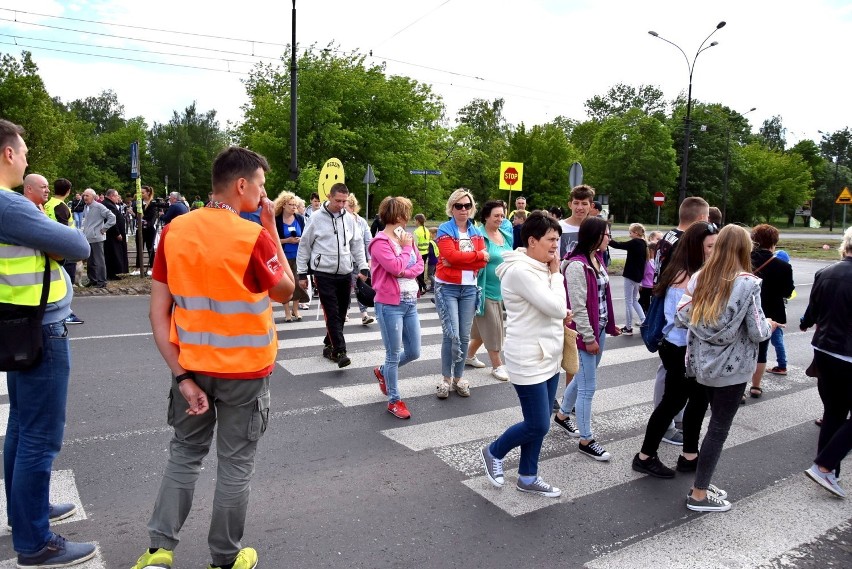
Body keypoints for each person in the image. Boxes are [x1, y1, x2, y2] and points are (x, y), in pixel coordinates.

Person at [131, 146, 295, 569]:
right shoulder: (252, 236)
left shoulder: (175, 230)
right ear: (242, 186)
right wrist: (270, 228)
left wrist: (181, 375)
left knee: (184, 453)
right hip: (246, 372)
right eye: (260, 186)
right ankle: (224, 558)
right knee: (235, 464)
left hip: (193, 369)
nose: (263, 195)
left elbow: (157, 312)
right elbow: (286, 291)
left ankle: (158, 552)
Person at [0, 119, 96, 567]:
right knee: (39, 437)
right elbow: (77, 245)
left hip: (19, 326)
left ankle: (27, 515)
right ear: (7, 153)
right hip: (41, 329)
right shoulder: (8, 205)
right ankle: (35, 541)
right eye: (22, 151)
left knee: (21, 428)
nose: (25, 157)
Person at [675, 224, 774, 512]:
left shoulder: (700, 277)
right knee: (718, 430)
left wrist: (704, 322)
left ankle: (701, 482)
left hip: (702, 363)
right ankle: (699, 494)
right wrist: (771, 325)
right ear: (746, 249)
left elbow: (681, 315)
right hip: (733, 368)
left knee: (709, 425)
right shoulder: (748, 284)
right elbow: (757, 332)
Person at [481, 211, 571, 497]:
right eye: (551, 240)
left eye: (558, 239)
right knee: (538, 423)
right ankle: (494, 451)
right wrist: (557, 277)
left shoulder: (540, 265)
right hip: (528, 357)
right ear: (532, 241)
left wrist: (559, 305)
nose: (556, 246)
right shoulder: (520, 270)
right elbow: (555, 307)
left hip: (549, 354)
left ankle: (528, 476)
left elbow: (550, 309)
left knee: (538, 426)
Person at [631, 221, 718, 479]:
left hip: (689, 348)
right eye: (711, 246)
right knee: (673, 403)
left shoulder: (694, 270)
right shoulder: (685, 275)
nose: (715, 250)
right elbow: (683, 318)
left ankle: (690, 455)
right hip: (680, 348)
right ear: (695, 247)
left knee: (699, 401)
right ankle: (645, 457)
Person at [554, 217, 620, 461]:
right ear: (595, 236)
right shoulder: (577, 266)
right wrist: (589, 338)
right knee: (588, 387)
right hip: (586, 334)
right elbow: (579, 307)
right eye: (606, 234)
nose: (609, 238)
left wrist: (607, 327)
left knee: (582, 380)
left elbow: (602, 297)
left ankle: (562, 416)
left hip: (599, 329)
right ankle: (586, 439)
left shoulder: (597, 259)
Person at [651, 197, 710, 444]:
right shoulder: (685, 245)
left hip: (665, 309)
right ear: (699, 220)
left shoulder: (668, 237)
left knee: (669, 373)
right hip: (673, 318)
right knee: (670, 376)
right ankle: (665, 423)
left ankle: (670, 419)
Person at [800, 226, 852, 498]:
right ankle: (825, 465)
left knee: (834, 410)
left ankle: (830, 471)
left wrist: (805, 322)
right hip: (847, 354)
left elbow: (814, 309)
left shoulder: (826, 272)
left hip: (824, 350)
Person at [296, 183, 369, 368]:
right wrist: (302, 273)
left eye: (345, 201)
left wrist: (363, 266)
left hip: (345, 271)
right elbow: (304, 245)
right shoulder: (315, 218)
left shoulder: (349, 219)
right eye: (338, 200)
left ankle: (329, 344)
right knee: (332, 312)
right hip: (323, 272)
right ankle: (340, 350)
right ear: (329, 197)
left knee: (342, 311)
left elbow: (357, 244)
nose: (341, 204)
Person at [369, 196, 424, 420]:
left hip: (410, 301)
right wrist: (404, 251)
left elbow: (419, 265)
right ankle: (394, 400)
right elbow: (394, 267)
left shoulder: (406, 239)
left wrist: (405, 269)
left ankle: (382, 372)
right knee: (392, 355)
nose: (408, 217)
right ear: (398, 216)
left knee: (414, 351)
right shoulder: (380, 242)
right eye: (406, 213)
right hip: (389, 304)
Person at [434, 188, 488, 399]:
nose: (463, 209)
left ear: (472, 208)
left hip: (469, 288)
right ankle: (445, 379)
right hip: (447, 287)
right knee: (451, 334)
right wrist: (476, 256)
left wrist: (462, 259)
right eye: (459, 206)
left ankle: (458, 378)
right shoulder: (444, 229)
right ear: (452, 208)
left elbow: (483, 261)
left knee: (464, 336)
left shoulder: (476, 232)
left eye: (467, 206)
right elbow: (450, 256)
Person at [465, 200, 513, 381]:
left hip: (504, 290)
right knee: (493, 328)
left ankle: (468, 355)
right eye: (496, 216)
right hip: (484, 289)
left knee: (482, 329)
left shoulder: (506, 234)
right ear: (486, 216)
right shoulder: (478, 235)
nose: (500, 219)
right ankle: (497, 364)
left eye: (502, 215)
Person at [747, 224, 794, 399]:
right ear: (774, 242)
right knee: (762, 350)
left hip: (746, 310)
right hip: (769, 313)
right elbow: (787, 292)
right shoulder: (783, 266)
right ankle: (756, 387)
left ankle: (739, 390)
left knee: (741, 348)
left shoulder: (744, 259)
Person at [44, 178, 83, 324]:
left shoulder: (47, 204)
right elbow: (64, 230)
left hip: (49, 247)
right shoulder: (61, 206)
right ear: (68, 191)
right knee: (67, 283)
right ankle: (65, 313)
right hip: (63, 250)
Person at [273, 190, 309, 322]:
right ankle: (287, 312)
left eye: (295, 204)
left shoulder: (299, 218)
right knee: (286, 285)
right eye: (290, 204)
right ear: (283, 205)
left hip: (298, 256)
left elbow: (306, 236)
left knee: (298, 283)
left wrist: (301, 239)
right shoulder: (276, 220)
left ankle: (296, 309)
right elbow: (273, 239)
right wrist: (287, 241)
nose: (294, 207)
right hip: (283, 256)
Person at [609, 222, 648, 335]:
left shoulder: (635, 242)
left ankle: (628, 327)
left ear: (635, 233)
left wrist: (608, 240)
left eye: (630, 232)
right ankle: (644, 321)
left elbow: (618, 245)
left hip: (630, 275)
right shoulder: (643, 243)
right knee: (634, 300)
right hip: (638, 276)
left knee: (629, 301)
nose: (629, 233)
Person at [346, 194, 375, 325]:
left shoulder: (361, 222)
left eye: (346, 206)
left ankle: (364, 314)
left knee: (360, 287)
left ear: (352, 207)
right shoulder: (340, 221)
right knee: (346, 288)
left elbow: (368, 241)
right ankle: (344, 312)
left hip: (359, 261)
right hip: (345, 261)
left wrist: (369, 259)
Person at [81, 188, 115, 289]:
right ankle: (93, 279)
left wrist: (104, 229)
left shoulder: (99, 207)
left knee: (99, 260)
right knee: (90, 260)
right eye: (84, 195)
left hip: (97, 237)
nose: (85, 197)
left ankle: (102, 281)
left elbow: (112, 217)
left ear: (94, 197)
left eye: (87, 195)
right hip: (88, 237)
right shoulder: (86, 207)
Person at [559, 184, 594, 261]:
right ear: (570, 205)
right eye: (576, 203)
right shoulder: (559, 227)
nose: (579, 207)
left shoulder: (595, 228)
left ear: (591, 206)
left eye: (584, 204)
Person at [102, 189, 128, 280]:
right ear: (112, 196)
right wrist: (117, 233)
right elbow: (112, 221)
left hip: (112, 234)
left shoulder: (108, 204)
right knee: (114, 254)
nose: (118, 198)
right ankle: (115, 273)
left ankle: (115, 273)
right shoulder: (109, 205)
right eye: (117, 196)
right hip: (113, 235)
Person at [141, 186, 159, 273]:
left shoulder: (152, 203)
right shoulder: (139, 202)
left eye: (143, 193)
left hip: (149, 228)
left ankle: (152, 267)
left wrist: (142, 216)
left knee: (150, 248)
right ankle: (138, 267)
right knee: (140, 247)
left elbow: (151, 217)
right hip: (140, 228)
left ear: (148, 193)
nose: (141, 194)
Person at [413, 213, 430, 294]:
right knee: (421, 271)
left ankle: (423, 286)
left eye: (415, 220)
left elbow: (415, 245)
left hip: (418, 254)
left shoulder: (416, 231)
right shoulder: (427, 230)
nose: (414, 222)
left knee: (416, 272)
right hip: (425, 252)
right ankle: (420, 289)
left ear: (417, 221)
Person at [638, 241, 656, 315]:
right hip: (648, 286)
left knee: (644, 303)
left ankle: (645, 317)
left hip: (647, 286)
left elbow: (643, 274)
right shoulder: (651, 262)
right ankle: (646, 317)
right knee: (645, 303)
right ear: (652, 251)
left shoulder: (648, 262)